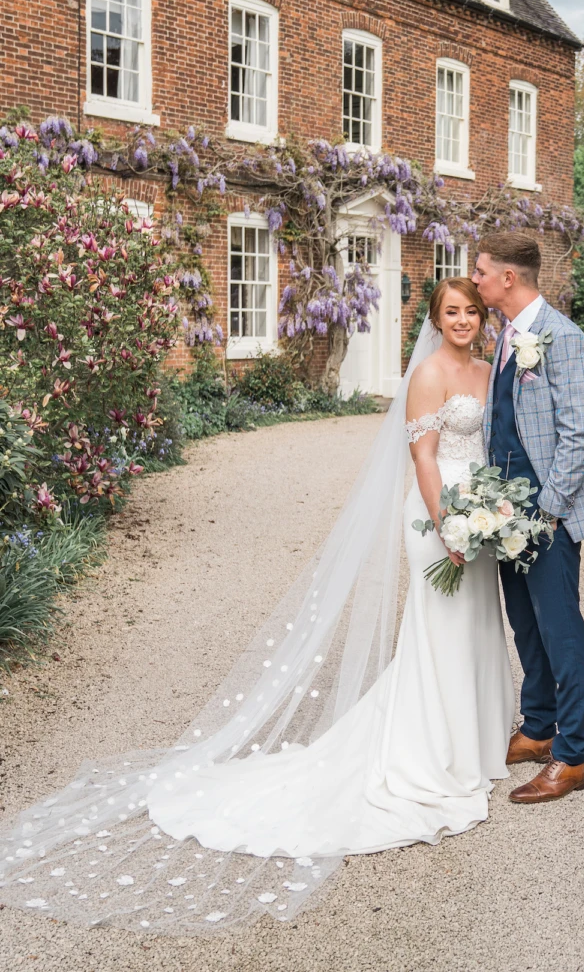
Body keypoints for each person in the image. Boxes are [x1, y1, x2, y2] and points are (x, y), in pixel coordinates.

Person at [0, 277, 513, 934]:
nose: (464, 321)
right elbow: (424, 456)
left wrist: (491, 514)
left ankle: (472, 747)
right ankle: (432, 756)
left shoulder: (485, 367)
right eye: (452, 312)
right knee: (439, 631)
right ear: (435, 319)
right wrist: (446, 525)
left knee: (474, 628)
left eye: (472, 311)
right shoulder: (430, 373)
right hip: (440, 519)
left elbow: (489, 447)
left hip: (483, 516)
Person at [473, 232, 584, 804]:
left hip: (547, 512)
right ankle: (537, 726)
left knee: (559, 627)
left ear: (509, 277)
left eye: (481, 271)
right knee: (524, 622)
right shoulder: (507, 334)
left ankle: (573, 756)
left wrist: (548, 510)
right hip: (506, 508)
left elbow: (579, 436)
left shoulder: (565, 338)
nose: (473, 278)